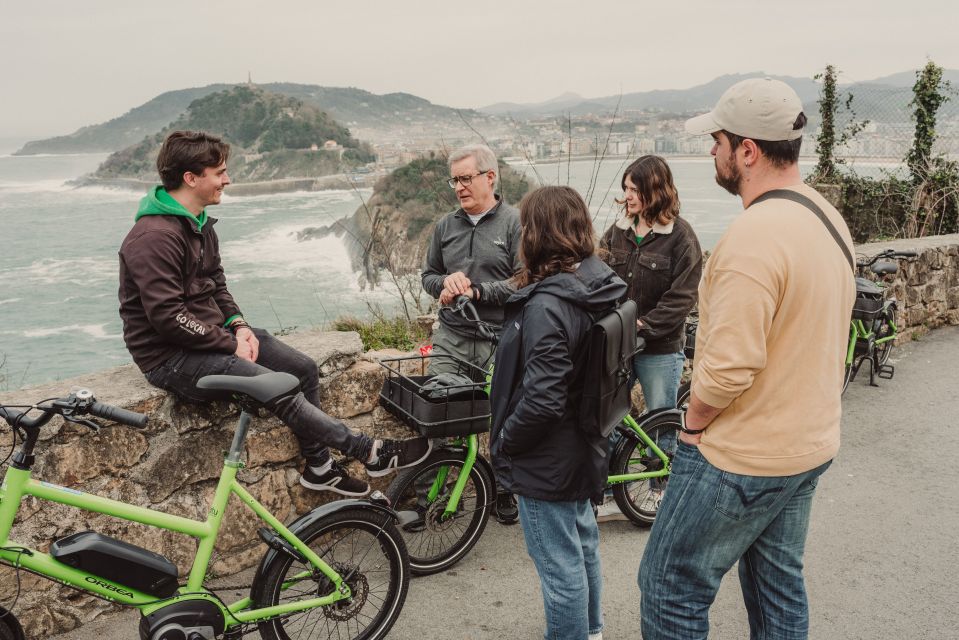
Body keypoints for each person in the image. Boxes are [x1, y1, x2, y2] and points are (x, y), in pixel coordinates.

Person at [638, 79, 856, 639]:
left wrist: (691, 427)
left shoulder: (753, 237)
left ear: (748, 151)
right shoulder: (827, 218)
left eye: (717, 142)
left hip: (742, 454)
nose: (711, 152)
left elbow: (729, 368)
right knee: (777, 587)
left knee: (669, 585)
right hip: (807, 443)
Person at [118, 130, 431, 497]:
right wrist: (227, 343)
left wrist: (240, 327)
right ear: (191, 178)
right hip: (170, 357)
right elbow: (168, 317)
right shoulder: (153, 236)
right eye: (219, 172)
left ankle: (320, 467)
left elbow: (215, 283)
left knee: (302, 369)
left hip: (210, 339)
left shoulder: (199, 224)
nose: (227, 179)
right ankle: (367, 450)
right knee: (274, 386)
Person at [490, 186, 627, 640]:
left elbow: (543, 399)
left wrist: (507, 441)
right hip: (583, 442)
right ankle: (591, 631)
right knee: (583, 545)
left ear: (537, 233)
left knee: (558, 566)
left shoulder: (549, 305)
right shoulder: (597, 280)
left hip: (547, 457)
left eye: (525, 226)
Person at [596, 155, 702, 521]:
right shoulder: (616, 232)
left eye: (634, 189)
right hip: (618, 345)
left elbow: (683, 295)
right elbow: (598, 279)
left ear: (655, 191)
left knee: (662, 417)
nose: (627, 196)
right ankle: (610, 488)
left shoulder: (681, 238)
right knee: (609, 416)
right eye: (625, 188)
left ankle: (661, 491)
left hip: (658, 347)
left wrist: (644, 325)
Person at [421, 144, 522, 524]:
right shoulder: (445, 226)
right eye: (455, 181)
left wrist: (477, 291)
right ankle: (435, 495)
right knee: (440, 415)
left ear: (490, 177)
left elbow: (524, 279)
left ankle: (504, 490)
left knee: (503, 418)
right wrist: (444, 283)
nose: (459, 188)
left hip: (499, 339)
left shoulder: (514, 222)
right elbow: (427, 275)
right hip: (452, 337)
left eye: (466, 179)